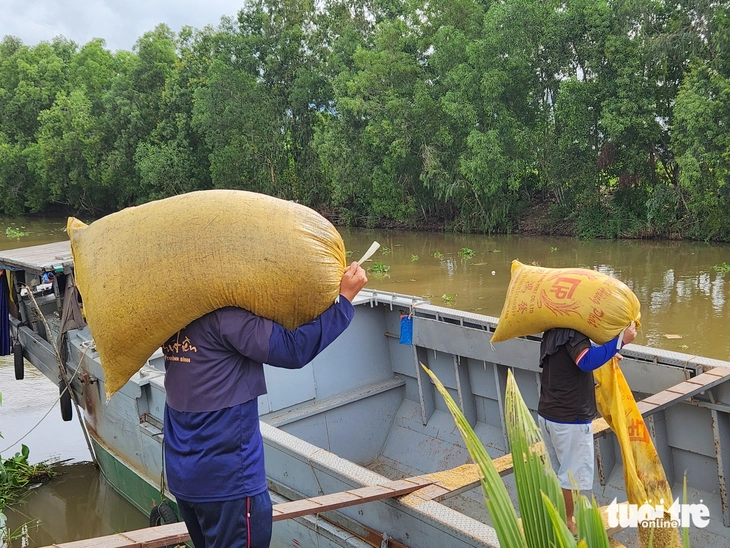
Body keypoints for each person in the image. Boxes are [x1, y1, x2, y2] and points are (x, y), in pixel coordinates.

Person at [161, 261, 368, 548]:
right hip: (229, 483)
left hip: (185, 479)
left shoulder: (171, 319)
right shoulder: (227, 319)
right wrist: (343, 301)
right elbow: (294, 350)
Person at [537, 321, 637, 534]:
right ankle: (570, 525)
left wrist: (608, 353)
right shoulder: (574, 334)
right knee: (574, 478)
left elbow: (572, 361)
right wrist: (620, 341)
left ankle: (559, 520)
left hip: (548, 415)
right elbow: (585, 361)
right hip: (569, 420)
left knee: (560, 472)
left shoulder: (553, 331)